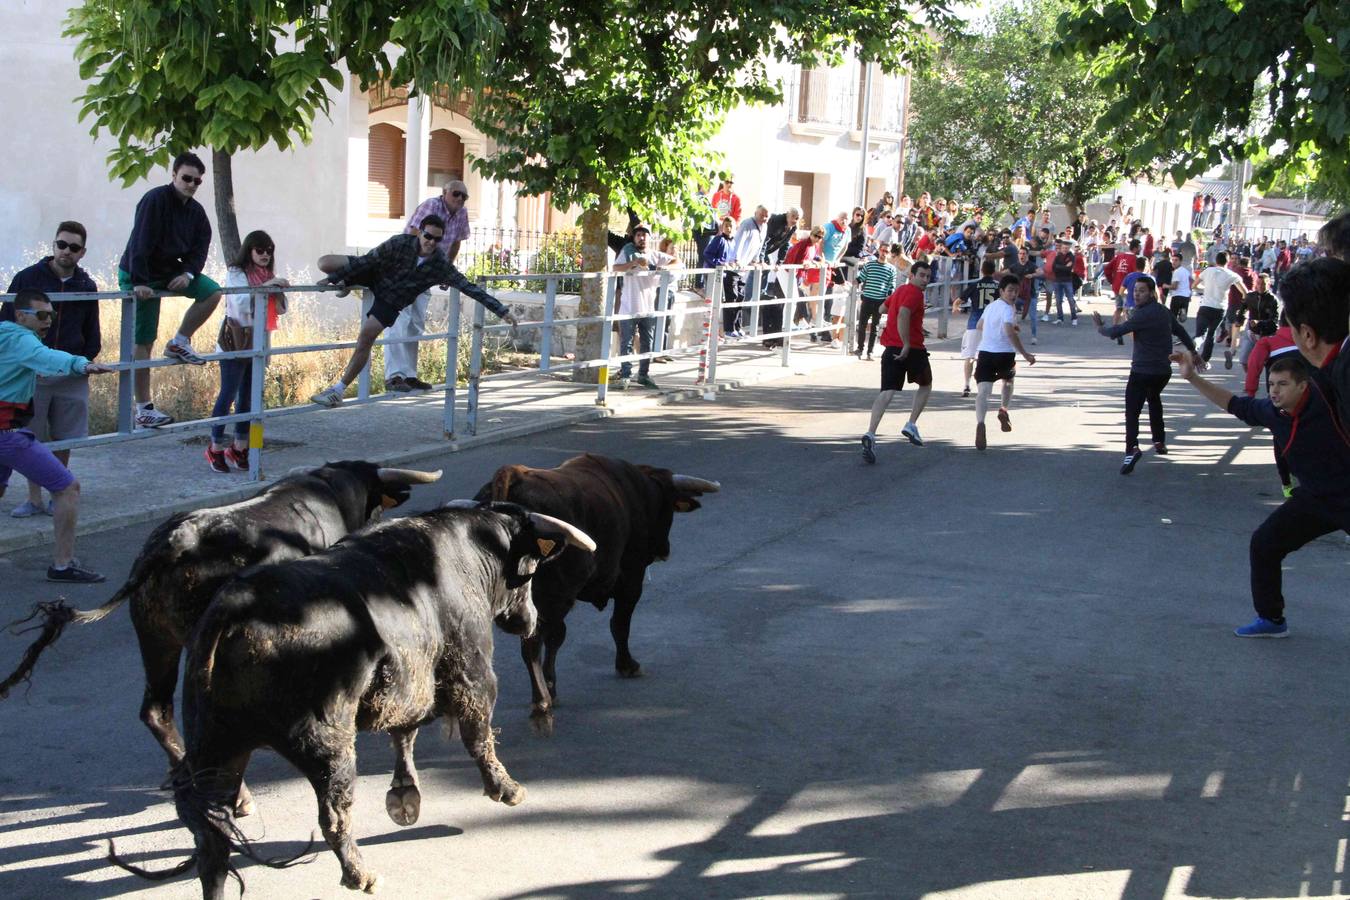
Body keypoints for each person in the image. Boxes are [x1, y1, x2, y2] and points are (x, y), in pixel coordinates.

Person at [1170, 351, 1350, 638]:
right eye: (1271, 384)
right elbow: (1233, 404)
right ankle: (1271, 619)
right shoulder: (1272, 412)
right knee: (1264, 544)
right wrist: (1192, 377)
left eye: (1282, 384)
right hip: (1315, 498)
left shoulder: (1331, 399)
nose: (1274, 391)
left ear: (1303, 385)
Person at [311, 215, 517, 407]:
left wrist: (501, 310)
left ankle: (337, 391)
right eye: (428, 236)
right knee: (325, 262)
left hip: (390, 300)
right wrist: (332, 278)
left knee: (365, 337)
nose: (431, 242)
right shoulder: (399, 243)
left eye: (437, 239)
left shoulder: (439, 265)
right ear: (419, 232)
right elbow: (369, 261)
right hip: (374, 274)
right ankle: (347, 281)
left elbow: (468, 287)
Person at [0, 289, 115, 582]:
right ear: (21, 316)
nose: (48, 320)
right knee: (67, 488)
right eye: (41, 315)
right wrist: (82, 364)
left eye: (50, 314)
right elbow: (45, 356)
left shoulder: (5, 336)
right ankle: (63, 565)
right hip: (7, 433)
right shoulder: (22, 339)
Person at [118, 151, 225, 428]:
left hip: (168, 271)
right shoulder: (154, 200)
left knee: (211, 291)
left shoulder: (197, 213)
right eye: (186, 178)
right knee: (144, 341)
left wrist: (188, 273)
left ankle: (179, 341)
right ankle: (143, 409)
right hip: (138, 271)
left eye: (196, 181)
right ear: (174, 175)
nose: (191, 184)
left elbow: (200, 248)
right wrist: (140, 281)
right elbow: (140, 241)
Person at [2, 221, 100, 518]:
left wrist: (83, 362)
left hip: (71, 372)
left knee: (64, 435)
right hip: (33, 374)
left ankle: (57, 493)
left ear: (82, 252)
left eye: (72, 247)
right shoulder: (27, 278)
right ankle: (34, 499)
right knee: (30, 438)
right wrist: (34, 362)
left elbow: (91, 331)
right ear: (53, 244)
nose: (65, 252)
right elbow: (9, 324)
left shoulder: (87, 285)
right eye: (61, 244)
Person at [1092, 276, 1202, 474]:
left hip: (1142, 370)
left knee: (1132, 411)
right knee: (1153, 399)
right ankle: (1159, 441)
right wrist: (1193, 352)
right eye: (1135, 290)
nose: (1137, 294)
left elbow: (1117, 331)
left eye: (1142, 291)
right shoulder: (1163, 312)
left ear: (1152, 293)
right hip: (1162, 372)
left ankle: (1131, 449)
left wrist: (1100, 328)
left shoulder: (1142, 315)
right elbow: (1182, 332)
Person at [207, 231, 289, 473]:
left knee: (250, 398)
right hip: (236, 342)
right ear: (249, 250)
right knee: (228, 395)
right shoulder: (236, 272)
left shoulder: (268, 275)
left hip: (259, 342)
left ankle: (241, 447)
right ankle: (215, 447)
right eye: (260, 250)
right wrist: (266, 288)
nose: (265, 255)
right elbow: (239, 302)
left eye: (269, 250)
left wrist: (277, 289)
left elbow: (281, 309)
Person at [386, 180, 472, 392]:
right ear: (445, 193)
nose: (460, 199)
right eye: (456, 194)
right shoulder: (431, 206)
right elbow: (415, 233)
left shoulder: (462, 214)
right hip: (407, 268)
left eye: (464, 196)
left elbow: (457, 241)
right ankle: (394, 376)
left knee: (416, 323)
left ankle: (410, 375)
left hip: (427, 271)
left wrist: (445, 268)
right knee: (399, 320)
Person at [860, 261, 934, 463]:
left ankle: (871, 433)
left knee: (887, 392)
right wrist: (907, 343)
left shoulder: (901, 290)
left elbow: (883, 308)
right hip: (912, 348)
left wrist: (904, 307)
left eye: (928, 276)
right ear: (912, 275)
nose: (925, 280)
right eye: (922, 275)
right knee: (926, 384)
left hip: (890, 348)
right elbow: (903, 314)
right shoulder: (915, 293)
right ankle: (911, 423)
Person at [611, 224, 680, 390]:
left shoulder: (655, 255)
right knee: (626, 343)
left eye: (644, 235)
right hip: (629, 307)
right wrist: (634, 263)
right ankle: (626, 375)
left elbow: (677, 261)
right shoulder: (627, 253)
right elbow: (615, 268)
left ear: (649, 238)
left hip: (648, 307)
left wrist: (664, 267)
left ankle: (643, 375)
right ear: (634, 238)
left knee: (647, 343)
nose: (641, 238)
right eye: (638, 235)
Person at [972, 275, 1036, 450]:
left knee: (983, 391)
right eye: (1010, 290)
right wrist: (1024, 353)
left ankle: (980, 422)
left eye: (1016, 291)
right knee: (1008, 381)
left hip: (985, 352)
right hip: (1004, 353)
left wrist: (996, 328)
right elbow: (1008, 331)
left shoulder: (991, 307)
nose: (1013, 294)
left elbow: (979, 325)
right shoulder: (1008, 309)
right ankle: (1003, 409)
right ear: (1001, 291)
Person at [956, 259, 999, 397]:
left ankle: (966, 385)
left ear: (982, 270)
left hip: (974, 322)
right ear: (994, 271)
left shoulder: (975, 285)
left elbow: (959, 300)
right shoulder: (998, 286)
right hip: (992, 325)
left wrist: (956, 307)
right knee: (987, 355)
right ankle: (983, 384)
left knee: (969, 355)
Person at [759, 206, 801, 346]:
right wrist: (762, 258)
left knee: (778, 301)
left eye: (797, 218)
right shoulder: (777, 221)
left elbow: (785, 244)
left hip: (773, 253)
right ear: (788, 215)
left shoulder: (793, 228)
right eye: (793, 217)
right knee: (762, 290)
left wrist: (780, 261)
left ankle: (778, 334)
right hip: (764, 251)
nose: (795, 221)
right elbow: (765, 239)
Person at [1194, 251, 1244, 361]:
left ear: (1216, 261)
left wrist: (1204, 289)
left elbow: (1194, 285)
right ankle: (1205, 359)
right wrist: (1243, 307)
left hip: (1205, 306)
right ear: (1228, 261)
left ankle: (1196, 345)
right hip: (1220, 308)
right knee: (1211, 333)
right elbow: (1244, 292)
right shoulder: (1232, 275)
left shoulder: (1207, 271)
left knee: (1200, 333)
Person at [727, 206, 768, 338]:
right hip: (735, 267)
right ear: (756, 213)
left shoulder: (764, 227)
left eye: (766, 216)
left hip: (745, 268)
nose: (764, 218)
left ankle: (738, 327)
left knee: (740, 298)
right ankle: (729, 328)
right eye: (762, 215)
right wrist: (736, 259)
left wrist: (755, 260)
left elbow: (759, 246)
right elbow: (739, 241)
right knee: (732, 298)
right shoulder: (747, 224)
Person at [855, 245, 899, 359]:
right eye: (883, 250)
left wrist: (890, 295)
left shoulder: (891, 269)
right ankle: (860, 348)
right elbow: (860, 279)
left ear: (890, 253)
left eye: (887, 251)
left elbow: (892, 286)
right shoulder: (869, 265)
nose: (884, 253)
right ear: (879, 251)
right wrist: (849, 282)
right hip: (867, 299)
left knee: (875, 327)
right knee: (862, 325)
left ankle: (870, 351)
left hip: (880, 301)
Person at [1051, 237, 1080, 325]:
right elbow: (1053, 267)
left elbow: (1069, 269)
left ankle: (1074, 318)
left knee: (1070, 299)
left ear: (1069, 248)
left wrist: (1059, 267)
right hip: (1057, 280)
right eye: (1063, 248)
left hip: (1067, 280)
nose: (1064, 249)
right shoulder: (1058, 256)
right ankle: (1060, 318)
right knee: (1058, 300)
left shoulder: (1071, 257)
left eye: (1066, 248)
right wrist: (1064, 267)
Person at [1164, 251, 1193, 322]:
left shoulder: (1177, 272)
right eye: (1172, 260)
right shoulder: (1186, 271)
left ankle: (1172, 330)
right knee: (1181, 320)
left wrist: (1165, 286)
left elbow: (1174, 287)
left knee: (1172, 318)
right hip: (1185, 296)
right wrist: (1190, 293)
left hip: (1177, 297)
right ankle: (1182, 310)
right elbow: (1192, 281)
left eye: (1176, 260)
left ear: (1180, 261)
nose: (1173, 262)